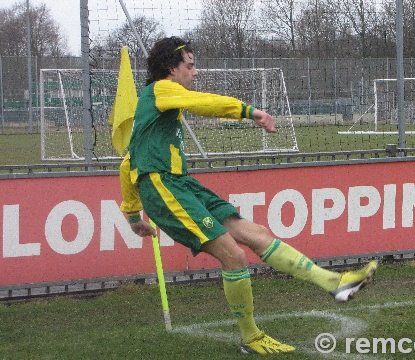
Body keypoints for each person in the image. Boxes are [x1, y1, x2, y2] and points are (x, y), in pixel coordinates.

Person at [118, 36, 377, 355]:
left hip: (181, 184)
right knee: (234, 255)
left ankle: (335, 283)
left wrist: (132, 216)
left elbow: (127, 162)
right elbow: (204, 103)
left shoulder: (159, 105)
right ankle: (251, 338)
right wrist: (250, 112)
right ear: (172, 69)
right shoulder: (160, 90)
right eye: (190, 65)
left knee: (255, 234)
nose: (195, 72)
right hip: (162, 188)